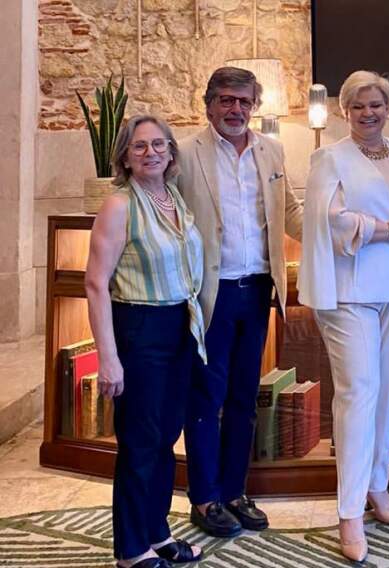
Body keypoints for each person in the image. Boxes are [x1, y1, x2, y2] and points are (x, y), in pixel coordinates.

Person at [298, 70, 389, 562]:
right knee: (358, 392)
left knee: (387, 387)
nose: (368, 113)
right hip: (350, 290)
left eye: (376, 104)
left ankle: (378, 485)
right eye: (358, 106)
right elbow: (332, 222)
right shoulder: (329, 157)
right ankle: (348, 512)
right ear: (344, 110)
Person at [177, 67, 303, 537]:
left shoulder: (270, 150)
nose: (236, 110)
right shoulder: (185, 154)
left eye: (244, 102)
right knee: (206, 398)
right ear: (208, 104)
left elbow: (289, 211)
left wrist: (336, 241)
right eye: (226, 100)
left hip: (258, 293)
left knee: (244, 398)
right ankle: (205, 498)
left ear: (255, 106)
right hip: (210, 295)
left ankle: (234, 491)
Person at [85, 115, 205, 568]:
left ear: (172, 152)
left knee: (164, 437)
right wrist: (109, 359)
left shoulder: (172, 196)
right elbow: (96, 284)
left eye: (159, 144)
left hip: (179, 329)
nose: (150, 152)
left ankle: (157, 533)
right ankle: (131, 549)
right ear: (125, 156)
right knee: (139, 441)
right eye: (139, 147)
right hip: (139, 329)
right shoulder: (119, 206)